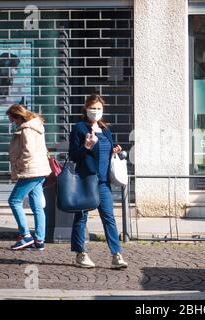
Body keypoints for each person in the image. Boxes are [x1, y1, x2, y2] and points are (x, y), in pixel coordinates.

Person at [69, 93, 128, 269]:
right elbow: (73, 155)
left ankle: (116, 255)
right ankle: (80, 253)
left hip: (103, 182)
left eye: (99, 108)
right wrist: (86, 146)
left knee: (109, 217)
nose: (96, 111)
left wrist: (114, 150)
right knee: (81, 217)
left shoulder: (105, 129)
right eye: (92, 108)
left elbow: (105, 151)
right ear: (86, 109)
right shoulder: (80, 128)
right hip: (86, 180)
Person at [7, 104, 51, 250]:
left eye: (12, 120)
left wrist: (19, 164)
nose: (13, 123)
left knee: (14, 200)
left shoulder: (26, 128)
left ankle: (25, 235)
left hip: (30, 171)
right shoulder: (37, 126)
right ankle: (39, 240)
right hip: (40, 170)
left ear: (18, 116)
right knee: (37, 206)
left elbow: (29, 152)